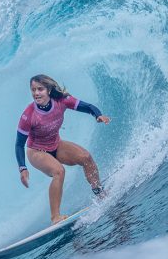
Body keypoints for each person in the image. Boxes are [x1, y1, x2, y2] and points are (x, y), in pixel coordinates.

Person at [15, 74, 111, 224]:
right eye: (33, 90)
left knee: (85, 157)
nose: (36, 93)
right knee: (58, 171)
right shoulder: (28, 115)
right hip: (36, 151)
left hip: (55, 144)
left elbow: (88, 107)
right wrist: (22, 168)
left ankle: (99, 192)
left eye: (40, 89)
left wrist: (98, 115)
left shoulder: (62, 101)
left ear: (48, 90)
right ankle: (55, 217)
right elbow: (19, 144)